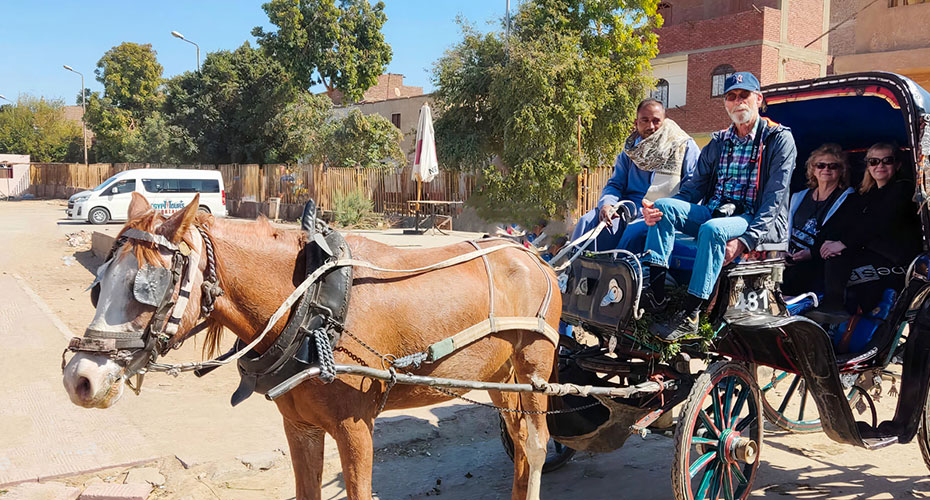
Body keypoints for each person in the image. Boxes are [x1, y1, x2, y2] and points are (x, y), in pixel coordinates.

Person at [640, 71, 797, 342]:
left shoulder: (778, 139)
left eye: (744, 96)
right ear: (725, 104)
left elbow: (775, 200)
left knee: (713, 230)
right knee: (663, 207)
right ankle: (657, 296)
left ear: (758, 99)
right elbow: (692, 189)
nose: (738, 102)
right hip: (717, 210)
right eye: (731, 97)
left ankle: (691, 314)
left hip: (753, 218)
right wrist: (656, 210)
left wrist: (745, 241)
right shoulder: (719, 142)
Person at [806, 142, 922, 324]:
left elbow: (880, 223)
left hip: (897, 259)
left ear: (898, 165)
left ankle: (834, 308)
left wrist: (843, 243)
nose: (880, 166)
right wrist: (817, 248)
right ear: (868, 166)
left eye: (887, 161)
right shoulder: (868, 194)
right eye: (874, 161)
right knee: (824, 255)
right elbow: (845, 224)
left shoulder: (904, 189)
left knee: (838, 256)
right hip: (872, 252)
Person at [570, 98, 700, 254]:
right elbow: (615, 184)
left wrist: (665, 208)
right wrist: (607, 204)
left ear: (664, 121)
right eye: (645, 120)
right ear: (636, 122)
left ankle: (618, 274)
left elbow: (694, 187)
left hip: (662, 212)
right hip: (629, 209)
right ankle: (576, 274)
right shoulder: (630, 152)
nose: (651, 126)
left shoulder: (683, 146)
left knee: (633, 234)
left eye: (656, 121)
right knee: (588, 222)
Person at [781, 143, 854, 296]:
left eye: (833, 166)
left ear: (841, 171)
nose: (826, 169)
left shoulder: (848, 198)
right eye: (820, 165)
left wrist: (810, 253)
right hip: (788, 256)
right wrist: (782, 252)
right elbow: (784, 228)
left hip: (818, 259)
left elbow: (841, 234)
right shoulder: (798, 196)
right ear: (812, 169)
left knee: (795, 277)